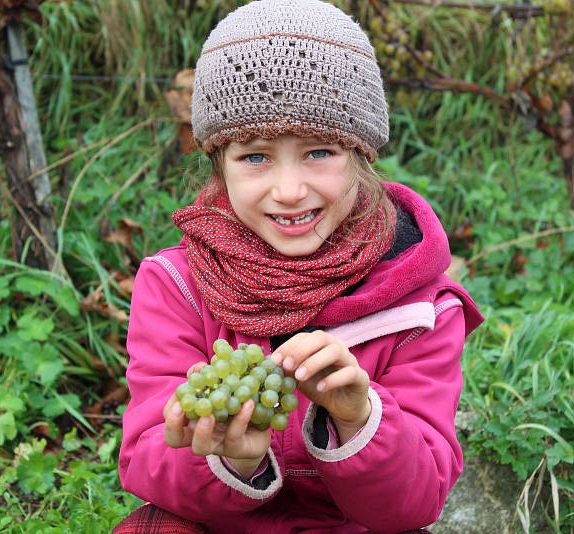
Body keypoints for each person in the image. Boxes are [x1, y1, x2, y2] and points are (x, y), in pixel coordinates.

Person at [114, 1, 483, 532]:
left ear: (361, 156)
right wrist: (230, 460)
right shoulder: (177, 285)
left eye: (319, 152)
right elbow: (147, 464)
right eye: (255, 157)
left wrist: (360, 419)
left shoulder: (421, 307)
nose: (289, 192)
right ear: (219, 166)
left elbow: (415, 504)